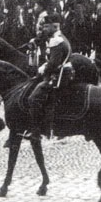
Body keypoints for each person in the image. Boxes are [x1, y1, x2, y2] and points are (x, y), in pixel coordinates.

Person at [26, 13, 73, 141]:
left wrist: (43, 69)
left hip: (58, 76)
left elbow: (54, 64)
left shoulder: (56, 40)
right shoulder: (59, 37)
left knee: (33, 98)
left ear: (54, 26)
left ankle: (36, 131)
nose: (44, 29)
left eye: (47, 27)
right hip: (60, 72)